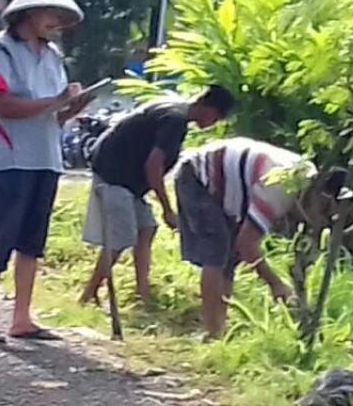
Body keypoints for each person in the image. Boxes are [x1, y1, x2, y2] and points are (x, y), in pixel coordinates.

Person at [0, 0, 90, 344]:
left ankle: (22, 318)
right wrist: (56, 102)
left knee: (31, 242)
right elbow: (3, 105)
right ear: (29, 14)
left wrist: (72, 107)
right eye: (50, 14)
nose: (56, 23)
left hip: (45, 157)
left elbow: (52, 115)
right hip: (7, 159)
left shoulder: (53, 57)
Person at [78, 86, 236, 306]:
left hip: (128, 182)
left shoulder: (174, 108)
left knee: (147, 229)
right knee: (120, 238)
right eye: (215, 117)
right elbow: (154, 166)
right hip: (113, 176)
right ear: (205, 106)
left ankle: (142, 294)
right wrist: (167, 208)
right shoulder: (175, 120)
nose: (213, 123)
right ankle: (88, 294)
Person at [174, 137, 303, 338]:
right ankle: (211, 330)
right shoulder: (281, 190)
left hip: (229, 181)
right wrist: (275, 283)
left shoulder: (305, 173)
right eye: (325, 208)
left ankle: (219, 330)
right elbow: (247, 245)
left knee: (229, 258)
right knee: (215, 252)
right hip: (197, 175)